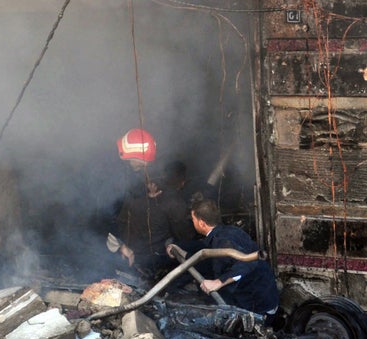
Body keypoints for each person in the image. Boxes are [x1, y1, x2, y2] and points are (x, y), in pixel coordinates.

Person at [171, 197, 279, 322]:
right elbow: (205, 259)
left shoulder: (222, 241)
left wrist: (218, 282)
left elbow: (247, 264)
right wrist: (177, 250)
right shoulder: (229, 231)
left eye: (193, 219)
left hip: (258, 305)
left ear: (201, 223)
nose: (192, 222)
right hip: (264, 295)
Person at [113, 128, 196, 276]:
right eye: (140, 164)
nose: (144, 168)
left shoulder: (137, 193)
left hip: (131, 259)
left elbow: (120, 221)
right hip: (146, 260)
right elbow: (185, 236)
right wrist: (119, 245)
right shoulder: (172, 201)